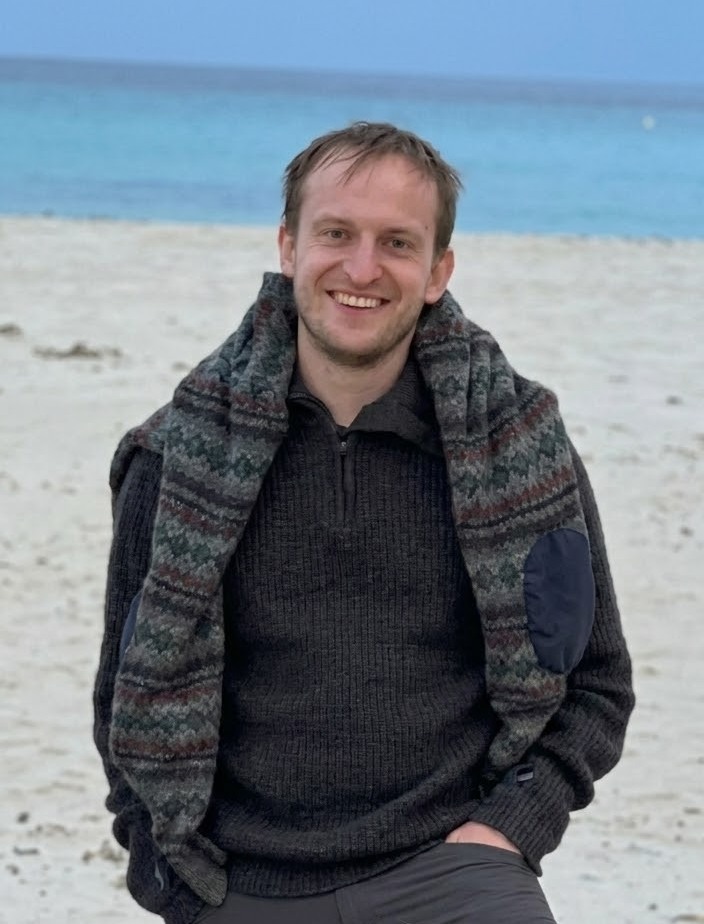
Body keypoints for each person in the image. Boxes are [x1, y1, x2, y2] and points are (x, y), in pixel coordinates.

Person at [93, 121, 634, 924]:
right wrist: (176, 886)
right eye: (336, 234)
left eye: (397, 243)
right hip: (239, 884)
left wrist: (509, 830)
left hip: (451, 869)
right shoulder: (174, 455)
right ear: (288, 246)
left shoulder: (518, 445)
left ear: (437, 270)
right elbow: (123, 700)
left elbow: (594, 682)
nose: (361, 269)